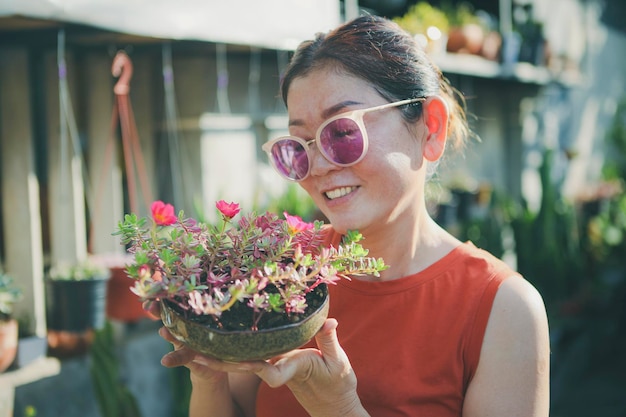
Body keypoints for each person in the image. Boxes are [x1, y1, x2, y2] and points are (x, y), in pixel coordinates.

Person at [157, 14, 550, 417]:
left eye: (342, 133)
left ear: (430, 128)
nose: (319, 166)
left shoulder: (503, 309)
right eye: (299, 147)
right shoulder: (283, 270)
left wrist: (338, 408)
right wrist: (208, 374)